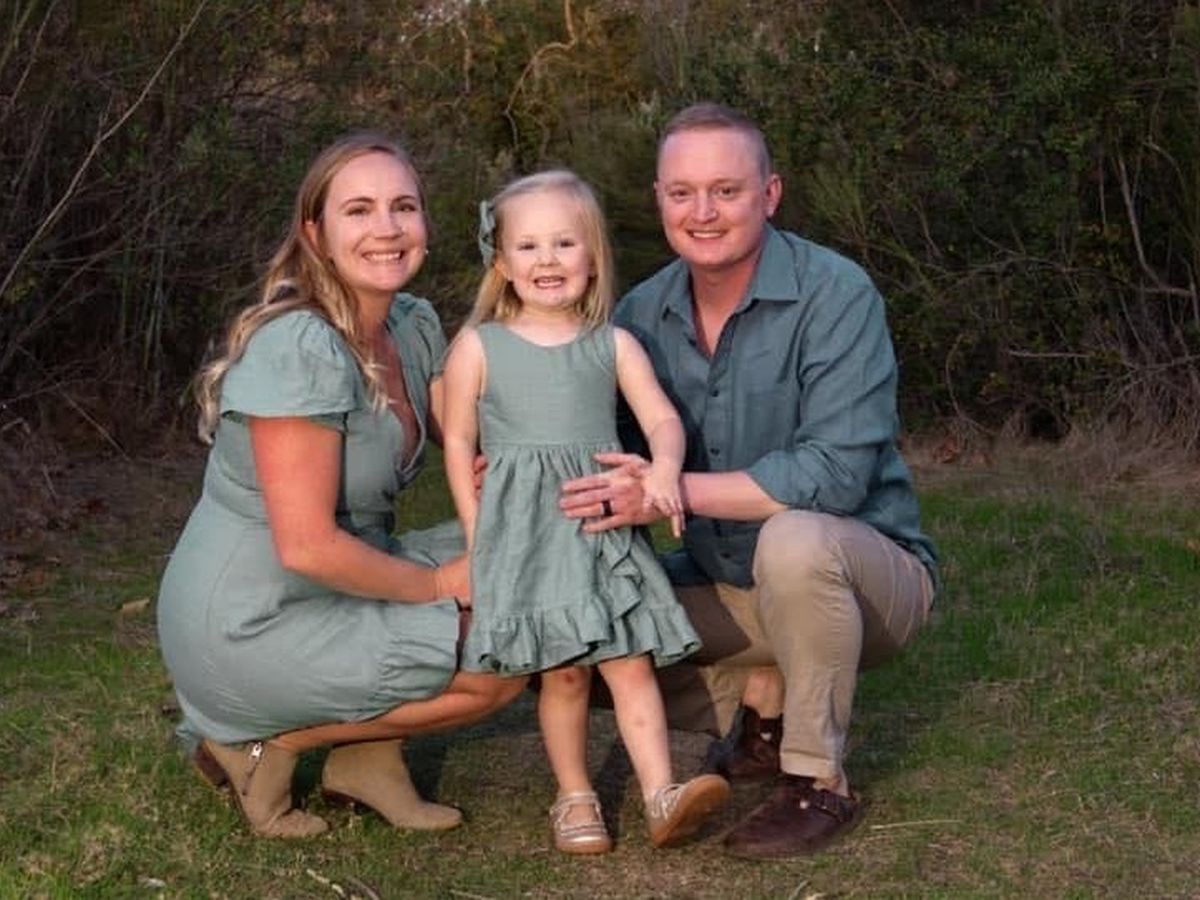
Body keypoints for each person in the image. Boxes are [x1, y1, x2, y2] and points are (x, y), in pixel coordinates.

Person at [559, 103, 939, 859]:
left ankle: (818, 780)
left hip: (865, 581)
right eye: (682, 193)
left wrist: (670, 492)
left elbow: (834, 475)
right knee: (560, 626)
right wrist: (512, 461)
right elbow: (608, 453)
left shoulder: (836, 294)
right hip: (725, 575)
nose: (702, 213)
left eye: (726, 191)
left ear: (770, 194)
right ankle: (762, 712)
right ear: (659, 198)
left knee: (794, 540)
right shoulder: (640, 314)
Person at [156, 132, 526, 840]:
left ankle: (365, 763)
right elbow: (306, 547)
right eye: (358, 210)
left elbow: (468, 436)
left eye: (403, 207)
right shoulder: (299, 346)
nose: (387, 228)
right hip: (252, 617)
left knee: (530, 569)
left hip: (339, 587)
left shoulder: (411, 325)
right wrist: (441, 584)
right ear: (315, 233)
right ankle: (263, 745)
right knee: (501, 657)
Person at [440, 170, 730, 854]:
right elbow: (456, 438)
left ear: (593, 256)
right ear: (501, 263)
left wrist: (664, 469)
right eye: (529, 246)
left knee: (629, 662)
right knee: (564, 672)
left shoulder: (613, 344)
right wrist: (477, 527)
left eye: (565, 243)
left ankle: (661, 794)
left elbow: (661, 419)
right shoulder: (480, 346)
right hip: (529, 534)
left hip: (600, 530)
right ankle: (574, 795)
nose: (548, 260)